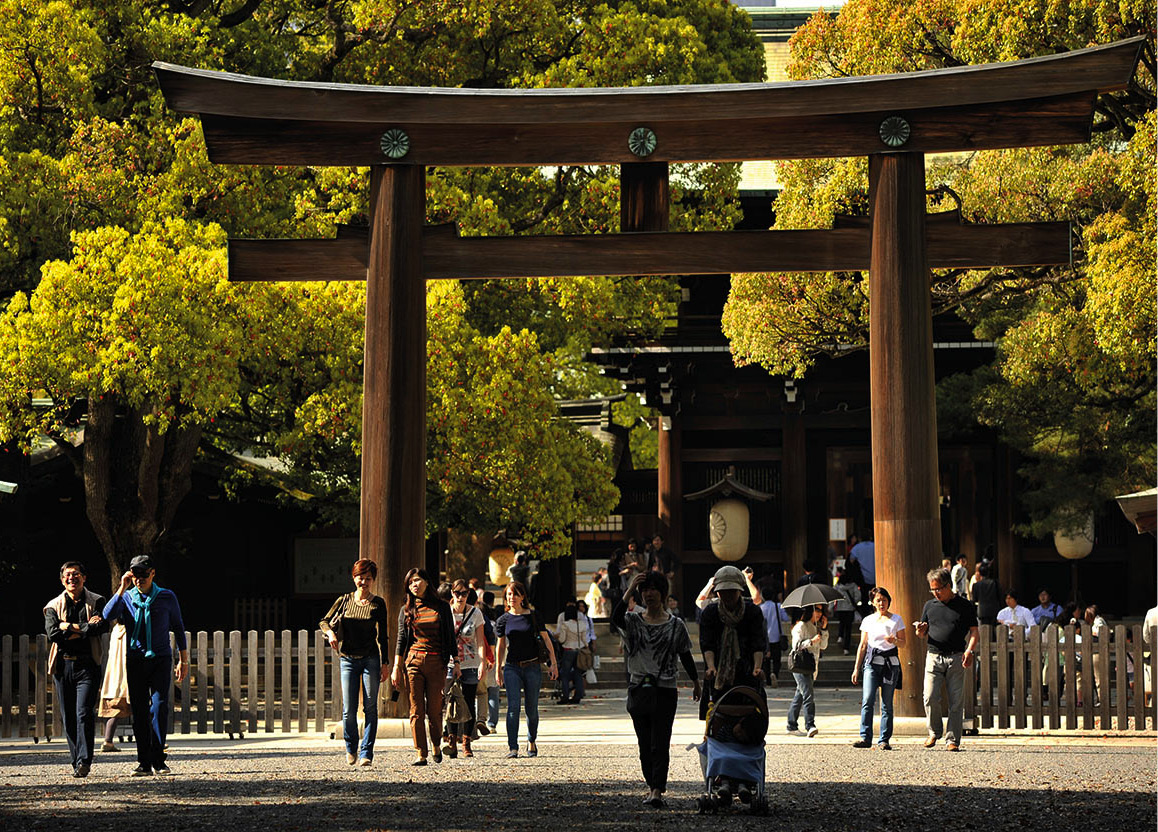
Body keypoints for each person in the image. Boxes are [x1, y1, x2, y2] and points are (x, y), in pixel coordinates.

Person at [613, 570, 700, 808]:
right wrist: (630, 588)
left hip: (665, 689)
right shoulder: (633, 621)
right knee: (644, 743)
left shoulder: (676, 625)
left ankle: (656, 790)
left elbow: (685, 654)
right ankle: (651, 783)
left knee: (660, 741)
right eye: (645, 589)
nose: (649, 594)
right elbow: (615, 618)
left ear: (663, 594)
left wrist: (695, 681)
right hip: (639, 687)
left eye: (654, 589)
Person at [101, 555, 188, 776]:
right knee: (139, 711)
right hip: (136, 659)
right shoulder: (127, 597)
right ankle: (143, 761)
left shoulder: (167, 597)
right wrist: (121, 588)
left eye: (143, 573)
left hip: (160, 658)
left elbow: (178, 627)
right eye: (135, 574)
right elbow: (107, 614)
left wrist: (183, 660)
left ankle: (159, 759)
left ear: (152, 573)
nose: (139, 578)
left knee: (159, 707)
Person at [319, 558, 391, 767]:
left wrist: (385, 663)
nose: (364, 582)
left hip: (371, 658)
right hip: (348, 659)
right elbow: (323, 621)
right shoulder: (344, 600)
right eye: (360, 578)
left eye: (368, 578)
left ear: (373, 580)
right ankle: (351, 747)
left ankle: (366, 752)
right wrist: (331, 633)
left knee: (370, 706)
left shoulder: (379, 603)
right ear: (354, 578)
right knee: (349, 709)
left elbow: (383, 636)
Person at [44, 560, 108, 777]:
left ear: (84, 577)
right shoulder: (53, 605)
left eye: (76, 574)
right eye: (67, 575)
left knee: (83, 713)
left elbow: (100, 627)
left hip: (87, 665)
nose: (71, 578)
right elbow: (53, 633)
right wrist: (84, 627)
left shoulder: (97, 600)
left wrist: (68, 627)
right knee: (68, 716)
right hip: (63, 666)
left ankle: (85, 760)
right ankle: (76, 761)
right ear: (62, 580)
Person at [391, 568, 457, 766]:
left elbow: (450, 637)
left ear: (427, 582)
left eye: (418, 580)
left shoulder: (442, 608)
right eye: (410, 582)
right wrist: (397, 666)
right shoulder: (407, 609)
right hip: (414, 662)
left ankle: (436, 744)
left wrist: (457, 661)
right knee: (416, 709)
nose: (414, 585)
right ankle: (421, 752)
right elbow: (401, 639)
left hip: (437, 662)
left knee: (435, 708)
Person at [914, 567, 978, 751]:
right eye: (932, 590)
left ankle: (953, 740)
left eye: (939, 589)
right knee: (930, 696)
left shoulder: (965, 606)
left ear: (948, 585)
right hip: (933, 655)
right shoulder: (929, 606)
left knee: (956, 700)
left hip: (957, 656)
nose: (936, 593)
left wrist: (970, 651)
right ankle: (934, 732)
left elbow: (974, 631)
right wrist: (920, 630)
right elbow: (922, 633)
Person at [495, 581, 558, 758]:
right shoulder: (503, 619)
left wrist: (553, 663)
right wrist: (498, 668)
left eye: (515, 594)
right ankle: (512, 747)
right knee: (513, 707)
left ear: (522, 596)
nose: (511, 598)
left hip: (532, 666)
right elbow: (500, 646)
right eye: (508, 594)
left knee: (531, 708)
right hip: (511, 667)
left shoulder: (534, 616)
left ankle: (531, 741)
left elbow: (546, 640)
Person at [699, 565, 767, 708]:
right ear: (717, 593)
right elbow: (707, 642)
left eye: (731, 591)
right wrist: (711, 666)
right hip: (718, 672)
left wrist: (757, 667)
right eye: (723, 592)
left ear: (739, 591)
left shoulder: (752, 612)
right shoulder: (710, 612)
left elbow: (758, 641)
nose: (727, 596)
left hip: (746, 670)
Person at [851, 587, 906, 750]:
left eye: (884, 599)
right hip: (871, 663)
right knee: (867, 699)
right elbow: (863, 645)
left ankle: (884, 739)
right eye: (878, 600)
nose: (881, 603)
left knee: (887, 703)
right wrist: (856, 668)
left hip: (890, 663)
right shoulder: (868, 620)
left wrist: (895, 640)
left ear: (889, 601)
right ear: (873, 602)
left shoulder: (897, 619)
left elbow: (904, 643)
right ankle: (865, 737)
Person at [445, 580, 487, 758]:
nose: (460, 597)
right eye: (457, 593)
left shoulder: (475, 613)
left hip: (470, 662)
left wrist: (483, 662)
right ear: (452, 593)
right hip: (448, 662)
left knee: (469, 702)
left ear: (468, 594)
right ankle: (451, 740)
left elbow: (480, 641)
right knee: (451, 702)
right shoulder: (446, 611)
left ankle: (466, 742)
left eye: (464, 593)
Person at [787, 604, 828, 737]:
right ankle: (810, 725)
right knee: (808, 695)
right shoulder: (800, 626)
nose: (819, 613)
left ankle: (791, 724)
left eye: (821, 610)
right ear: (810, 610)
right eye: (816, 610)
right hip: (800, 665)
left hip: (811, 666)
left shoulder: (816, 627)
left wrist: (824, 629)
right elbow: (796, 646)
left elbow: (823, 646)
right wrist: (811, 641)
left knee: (800, 695)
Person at [555, 600, 588, 705]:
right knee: (578, 674)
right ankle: (578, 696)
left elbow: (562, 639)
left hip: (568, 650)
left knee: (565, 674)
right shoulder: (582, 624)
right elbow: (584, 639)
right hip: (579, 650)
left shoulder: (565, 624)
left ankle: (565, 696)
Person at [758, 579, 789, 681]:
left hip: (764, 638)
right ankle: (775, 674)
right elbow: (786, 618)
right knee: (776, 659)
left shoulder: (760, 608)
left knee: (765, 660)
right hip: (776, 636)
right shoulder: (778, 606)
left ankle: (767, 679)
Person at [833, 569, 861, 654]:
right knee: (848, 628)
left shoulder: (837, 586)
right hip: (850, 609)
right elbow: (858, 595)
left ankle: (840, 636)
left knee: (842, 623)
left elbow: (833, 597)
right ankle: (846, 648)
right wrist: (854, 602)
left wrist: (830, 608)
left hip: (840, 608)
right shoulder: (853, 586)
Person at [971, 562, 1002, 628]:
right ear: (988, 573)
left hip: (982, 611)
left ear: (979, 573)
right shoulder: (995, 583)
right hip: (994, 610)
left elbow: (974, 599)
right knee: (994, 631)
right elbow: (1000, 596)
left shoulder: (976, 585)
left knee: (984, 631)